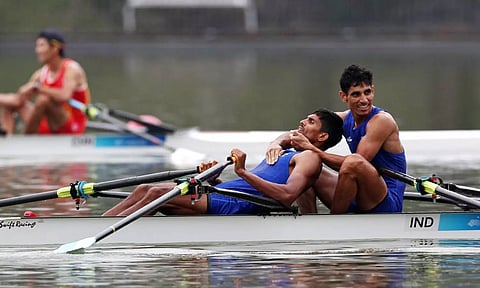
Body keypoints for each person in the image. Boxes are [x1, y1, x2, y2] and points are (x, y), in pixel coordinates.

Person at [103, 108, 344, 216]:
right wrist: (214, 178)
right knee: (145, 189)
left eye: (311, 122)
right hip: (223, 194)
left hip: (232, 205)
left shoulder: (310, 158)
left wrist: (241, 171)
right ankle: (100, 226)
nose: (303, 121)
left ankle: (105, 234)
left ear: (322, 137)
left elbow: (286, 196)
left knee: (156, 192)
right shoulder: (287, 152)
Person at [267, 64, 407, 214]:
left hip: (384, 202)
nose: (364, 100)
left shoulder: (381, 121)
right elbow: (299, 134)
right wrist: (276, 144)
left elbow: (357, 163)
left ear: (373, 90)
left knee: (353, 162)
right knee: (305, 162)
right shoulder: (345, 118)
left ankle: (335, 221)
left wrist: (311, 147)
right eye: (356, 94)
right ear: (343, 96)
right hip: (353, 194)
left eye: (367, 92)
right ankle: (308, 222)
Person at [0, 28, 91, 135]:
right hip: (48, 125)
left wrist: (38, 88)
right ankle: (7, 144)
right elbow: (18, 100)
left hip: (71, 127)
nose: (37, 50)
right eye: (37, 46)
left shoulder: (72, 69)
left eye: (41, 46)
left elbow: (64, 96)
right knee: (10, 106)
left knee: (44, 100)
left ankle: (24, 140)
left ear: (55, 48)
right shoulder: (40, 74)